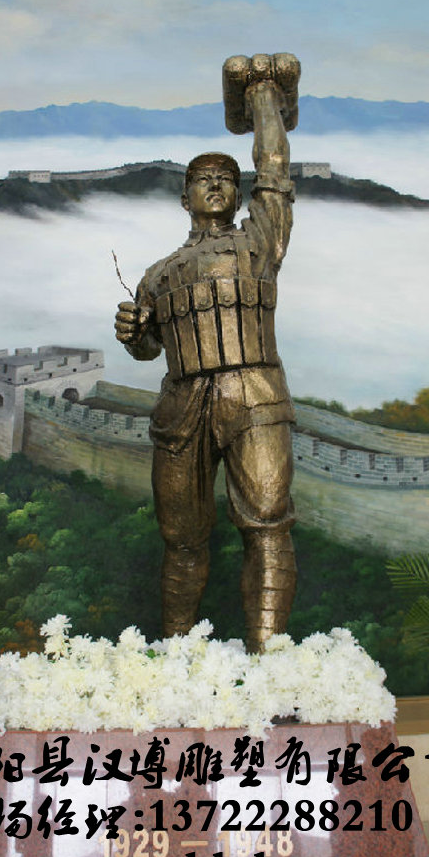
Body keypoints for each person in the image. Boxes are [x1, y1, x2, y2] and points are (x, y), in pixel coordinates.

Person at [114, 69, 298, 653]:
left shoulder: (259, 243)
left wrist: (263, 97)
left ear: (239, 195)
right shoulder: (157, 275)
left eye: (226, 179)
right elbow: (148, 349)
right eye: (203, 179)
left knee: (267, 523)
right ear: (184, 196)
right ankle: (177, 661)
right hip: (182, 409)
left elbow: (275, 171)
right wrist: (133, 333)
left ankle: (270, 659)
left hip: (255, 397)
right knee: (182, 538)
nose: (215, 186)